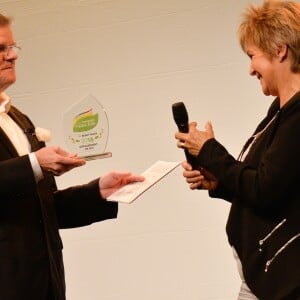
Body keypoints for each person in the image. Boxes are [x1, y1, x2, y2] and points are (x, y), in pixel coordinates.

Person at [0, 13, 144, 300]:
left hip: (45, 284)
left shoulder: (18, 119)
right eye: (1, 49)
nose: (13, 56)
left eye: (13, 47)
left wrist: (99, 192)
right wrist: (35, 164)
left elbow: (45, 210)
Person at [175, 0, 300, 299]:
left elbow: (265, 189)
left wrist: (209, 150)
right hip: (263, 281)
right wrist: (219, 181)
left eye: (252, 56)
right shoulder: (278, 113)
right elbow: (271, 185)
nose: (250, 69)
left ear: (280, 49)